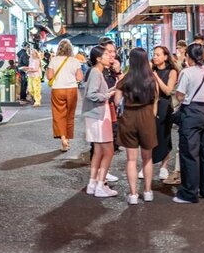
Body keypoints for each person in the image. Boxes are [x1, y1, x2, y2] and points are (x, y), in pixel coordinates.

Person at [173, 43, 204, 203]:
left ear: (189, 56)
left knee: (190, 153)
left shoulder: (186, 73)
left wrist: (182, 96)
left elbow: (179, 95)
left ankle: (189, 192)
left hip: (191, 113)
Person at [115, 48, 158, 205]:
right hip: (146, 117)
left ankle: (133, 194)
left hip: (129, 118)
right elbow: (156, 100)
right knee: (147, 158)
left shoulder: (125, 79)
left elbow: (116, 101)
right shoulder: (152, 79)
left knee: (131, 159)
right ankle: (147, 192)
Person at [82, 45, 117, 198]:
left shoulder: (96, 72)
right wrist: (107, 96)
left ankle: (92, 183)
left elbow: (97, 92)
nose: (110, 56)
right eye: (106, 54)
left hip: (94, 115)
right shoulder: (96, 73)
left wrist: (111, 90)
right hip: (98, 115)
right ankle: (101, 184)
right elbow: (91, 94)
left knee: (98, 151)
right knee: (108, 151)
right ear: (98, 58)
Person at [47, 39, 83, 152]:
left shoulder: (54, 60)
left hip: (58, 89)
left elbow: (49, 76)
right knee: (70, 115)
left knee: (59, 115)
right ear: (70, 49)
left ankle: (63, 138)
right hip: (72, 89)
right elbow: (80, 77)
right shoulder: (75, 61)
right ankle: (68, 138)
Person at [151, 46, 178, 181]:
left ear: (165, 57)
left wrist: (156, 77)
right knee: (151, 135)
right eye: (154, 54)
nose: (155, 57)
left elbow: (168, 90)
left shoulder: (171, 71)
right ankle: (148, 164)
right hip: (152, 105)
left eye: (158, 54)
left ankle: (164, 166)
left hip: (165, 105)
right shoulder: (151, 69)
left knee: (164, 136)